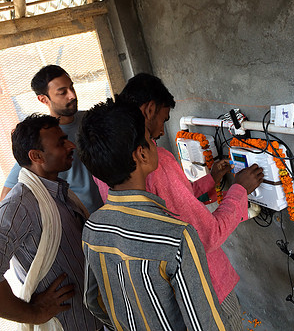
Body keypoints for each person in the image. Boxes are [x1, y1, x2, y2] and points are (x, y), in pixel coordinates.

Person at [93, 73, 264, 331]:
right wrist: (240, 189)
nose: (162, 131)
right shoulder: (155, 163)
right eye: (164, 119)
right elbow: (206, 236)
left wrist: (210, 180)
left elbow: (169, 204)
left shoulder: (108, 163)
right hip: (207, 292)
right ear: (150, 108)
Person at [78, 99, 231, 330]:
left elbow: (93, 302)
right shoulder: (177, 236)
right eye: (151, 140)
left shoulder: (92, 229)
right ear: (141, 154)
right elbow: (204, 324)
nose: (155, 142)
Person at [0, 114, 101, 330]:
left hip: (93, 320)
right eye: (61, 143)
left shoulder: (60, 192)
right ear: (37, 156)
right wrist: (33, 313)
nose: (71, 145)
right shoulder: (19, 206)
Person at [1, 65, 103, 213]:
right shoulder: (40, 140)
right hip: (80, 221)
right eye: (62, 93)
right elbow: (6, 196)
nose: (72, 95)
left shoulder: (91, 120)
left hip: (110, 209)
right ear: (43, 99)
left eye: (71, 87)